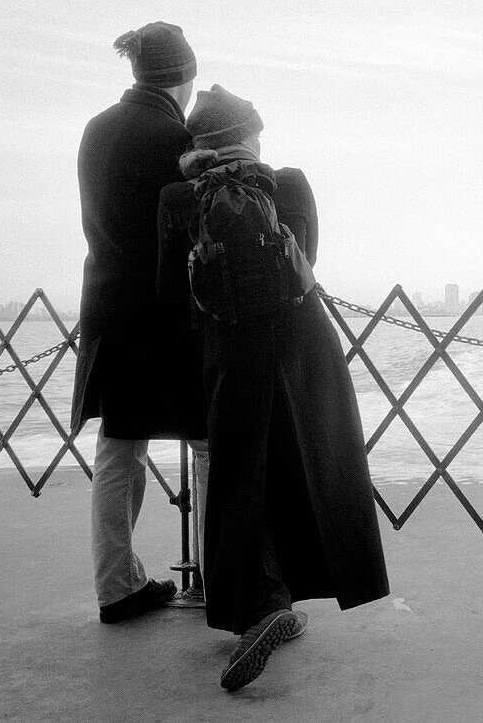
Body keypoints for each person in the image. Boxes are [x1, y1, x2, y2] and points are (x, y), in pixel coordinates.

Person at [157, 85, 390, 691]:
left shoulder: (178, 198)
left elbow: (169, 298)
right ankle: (292, 597)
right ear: (249, 135)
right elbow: (307, 256)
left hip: (229, 352)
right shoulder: (289, 184)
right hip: (303, 348)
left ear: (199, 145)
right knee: (304, 465)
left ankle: (258, 608)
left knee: (238, 476)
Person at [72, 21, 209, 624]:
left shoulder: (96, 129)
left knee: (118, 449)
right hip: (167, 316)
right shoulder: (175, 136)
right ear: (183, 73)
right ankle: (216, 578)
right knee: (208, 445)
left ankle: (116, 588)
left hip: (107, 306)